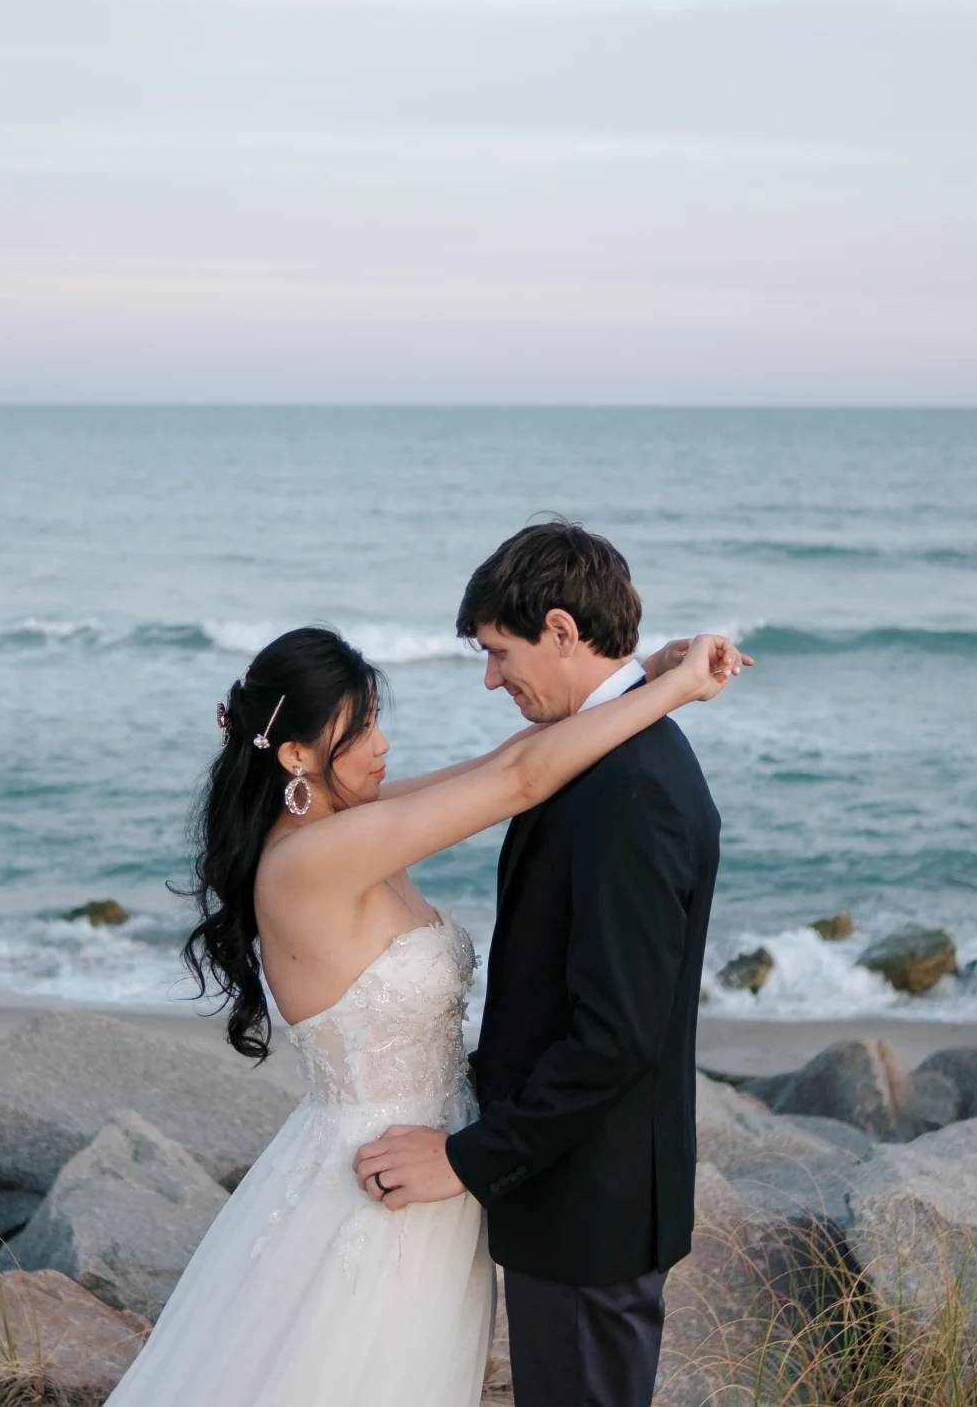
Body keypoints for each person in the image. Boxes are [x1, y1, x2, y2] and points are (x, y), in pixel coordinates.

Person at [101, 600, 742, 1407]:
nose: (383, 745)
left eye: (375, 721)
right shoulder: (312, 860)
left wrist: (633, 679)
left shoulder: (354, 821)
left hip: (431, 1174)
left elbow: (509, 755)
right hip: (382, 1186)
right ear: (295, 753)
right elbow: (520, 780)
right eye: (360, 731)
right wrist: (679, 690)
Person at [355, 521, 726, 1407]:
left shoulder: (629, 788)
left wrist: (469, 1159)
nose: (492, 678)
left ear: (562, 630)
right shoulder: (598, 753)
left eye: (499, 651)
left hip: (589, 1207)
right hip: (571, 1192)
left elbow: (616, 1036)